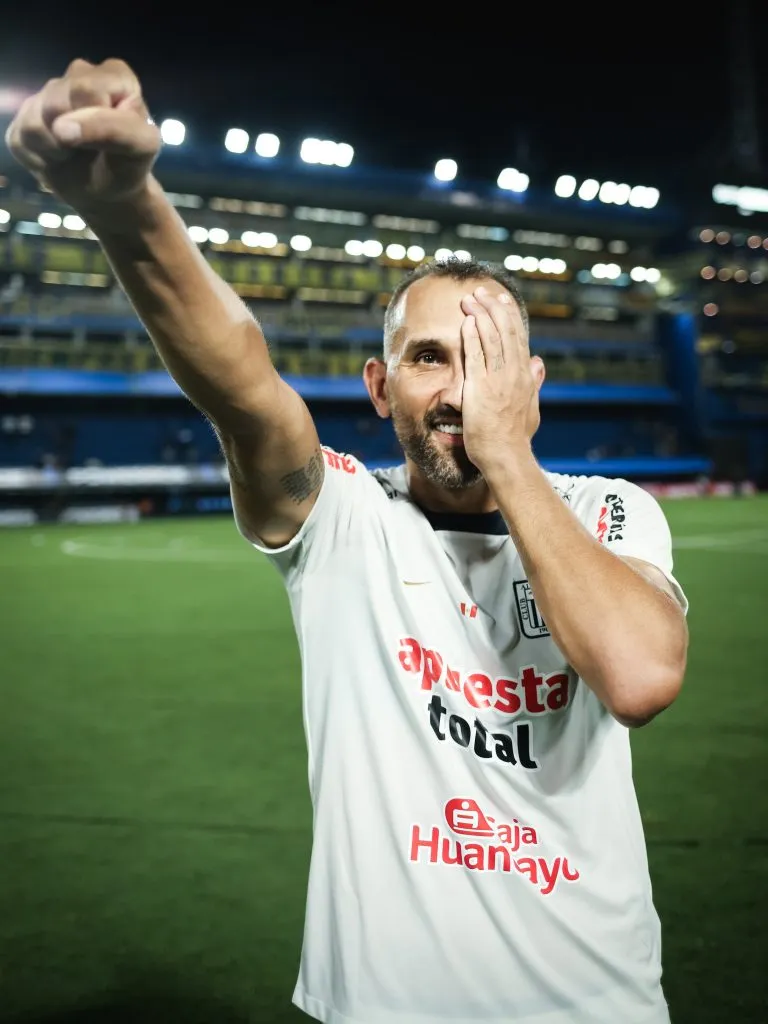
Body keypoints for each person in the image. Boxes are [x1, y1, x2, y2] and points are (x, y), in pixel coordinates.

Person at [6, 59, 689, 1024]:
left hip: (598, 1006)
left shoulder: (612, 512)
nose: (460, 391)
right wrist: (127, 212)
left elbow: (640, 677)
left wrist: (506, 451)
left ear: (532, 384)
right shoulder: (343, 519)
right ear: (379, 386)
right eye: (429, 358)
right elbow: (245, 387)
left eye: (488, 361)